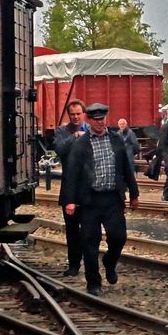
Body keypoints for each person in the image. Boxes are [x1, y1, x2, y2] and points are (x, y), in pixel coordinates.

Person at [63, 103, 139, 296]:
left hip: (113, 198)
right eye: (96, 119)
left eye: (102, 119)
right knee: (89, 243)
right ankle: (93, 282)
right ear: (89, 120)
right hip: (89, 201)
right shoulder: (80, 144)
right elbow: (72, 173)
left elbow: (126, 169)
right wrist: (70, 200)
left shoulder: (116, 140)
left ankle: (109, 262)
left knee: (118, 237)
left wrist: (134, 193)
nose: (100, 122)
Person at [55, 99, 87, 277]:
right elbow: (59, 149)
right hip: (70, 188)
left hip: (88, 187)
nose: (75, 117)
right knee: (72, 230)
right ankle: (74, 264)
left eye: (78, 114)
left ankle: (88, 263)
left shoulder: (90, 130)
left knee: (89, 230)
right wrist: (73, 137)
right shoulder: (62, 131)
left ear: (83, 114)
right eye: (72, 114)